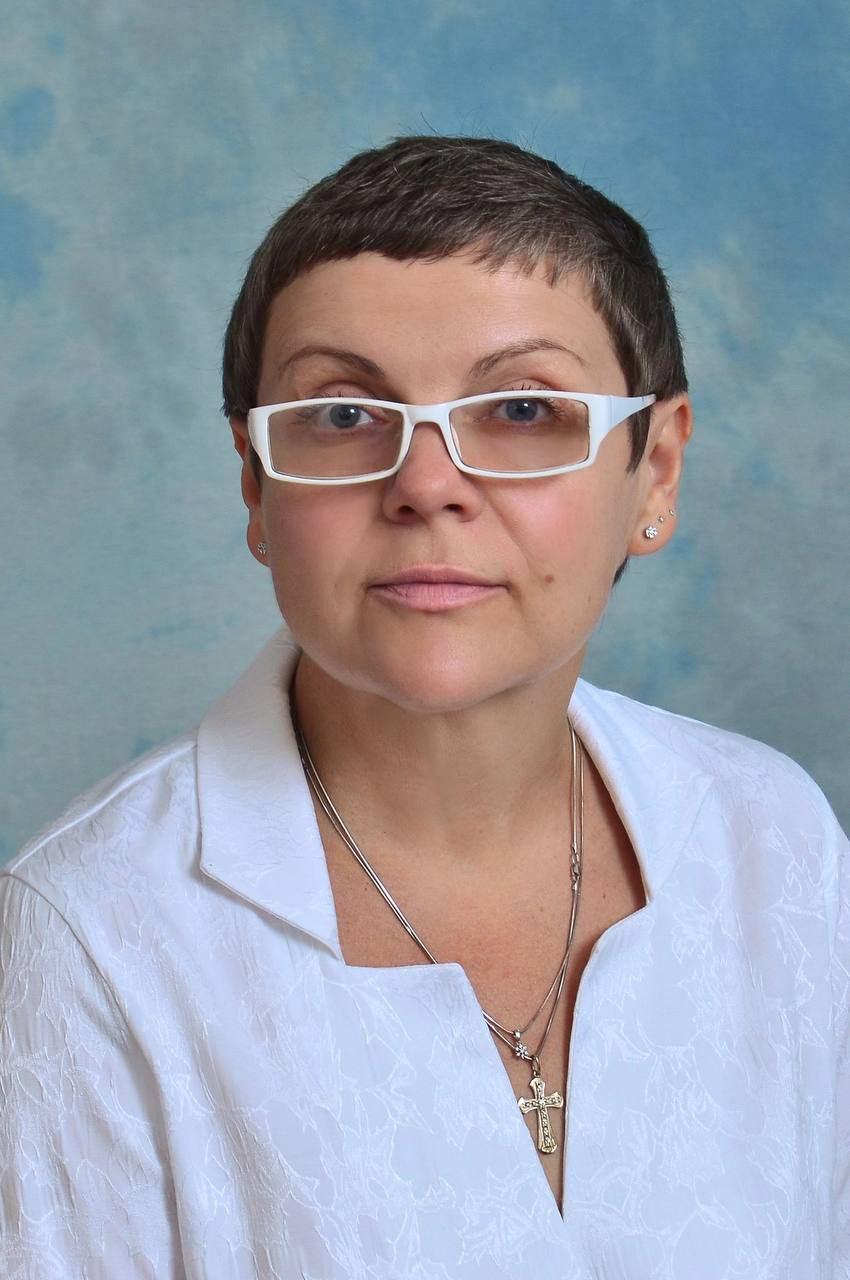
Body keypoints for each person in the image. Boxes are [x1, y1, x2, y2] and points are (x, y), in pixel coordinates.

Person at [1, 135, 847, 1280]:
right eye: (344, 415)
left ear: (654, 471)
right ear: (255, 486)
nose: (427, 485)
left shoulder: (775, 840)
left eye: (522, 408)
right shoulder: (89, 937)